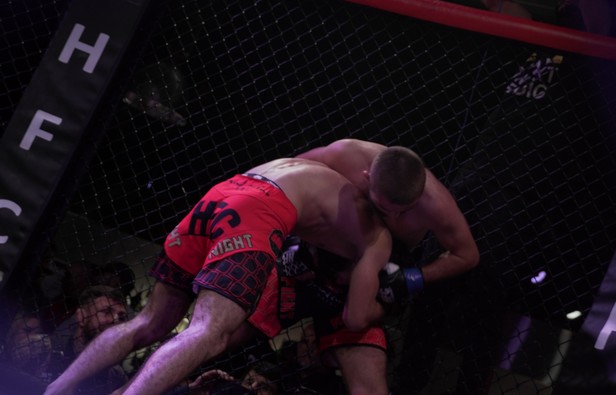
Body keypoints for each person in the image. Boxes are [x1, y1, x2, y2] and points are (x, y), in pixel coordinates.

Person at [44, 156, 421, 395]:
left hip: (227, 191)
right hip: (260, 214)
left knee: (148, 321)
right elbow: (356, 317)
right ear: (404, 210)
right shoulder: (378, 238)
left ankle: (56, 389)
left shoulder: (334, 160)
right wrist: (389, 302)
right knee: (207, 331)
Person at [296, 139, 479, 394]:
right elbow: (278, 178)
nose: (392, 217)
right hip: (319, 255)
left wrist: (412, 278)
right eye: (383, 208)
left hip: (372, 276)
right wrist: (291, 235)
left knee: (357, 325)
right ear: (367, 177)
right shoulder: (344, 156)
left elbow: (468, 255)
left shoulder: (436, 204)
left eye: (403, 212)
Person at [48, 285, 129, 393]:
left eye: (121, 317)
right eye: (106, 312)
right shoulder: (51, 353)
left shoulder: (116, 375)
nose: (115, 320)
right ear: (82, 317)